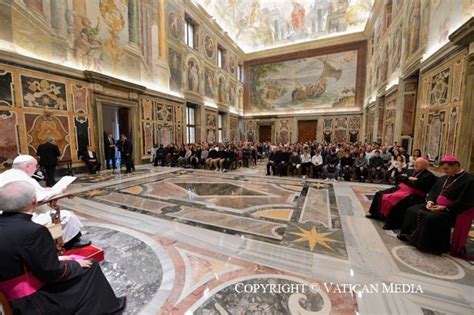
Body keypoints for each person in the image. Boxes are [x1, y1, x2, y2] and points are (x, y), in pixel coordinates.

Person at [0, 180, 126, 314]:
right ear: (34, 201)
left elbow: (18, 258)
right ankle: (110, 308)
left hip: (10, 292)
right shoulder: (33, 231)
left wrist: (58, 259)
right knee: (91, 266)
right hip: (34, 301)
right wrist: (76, 265)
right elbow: (54, 274)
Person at [1, 155, 90, 249]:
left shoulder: (5, 175)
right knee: (66, 216)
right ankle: (69, 242)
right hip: (22, 220)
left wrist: (42, 190)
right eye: (35, 166)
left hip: (5, 218)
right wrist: (59, 190)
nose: (36, 169)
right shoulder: (25, 180)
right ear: (27, 166)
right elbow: (40, 198)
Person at [398, 156, 474, 254]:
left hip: (452, 210)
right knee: (411, 210)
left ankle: (425, 244)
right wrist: (430, 202)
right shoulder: (444, 178)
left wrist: (445, 207)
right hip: (436, 205)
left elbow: (467, 202)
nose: (444, 171)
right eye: (443, 168)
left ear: (456, 165)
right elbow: (433, 192)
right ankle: (407, 235)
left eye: (446, 168)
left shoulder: (469, 181)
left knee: (430, 217)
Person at [366, 158, 436, 229]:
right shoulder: (410, 171)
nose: (416, 164)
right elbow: (398, 177)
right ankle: (376, 214)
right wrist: (408, 178)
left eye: (419, 163)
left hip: (414, 194)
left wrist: (416, 181)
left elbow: (426, 188)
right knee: (379, 193)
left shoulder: (429, 176)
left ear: (425, 165)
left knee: (397, 201)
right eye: (415, 162)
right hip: (400, 189)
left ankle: (392, 224)